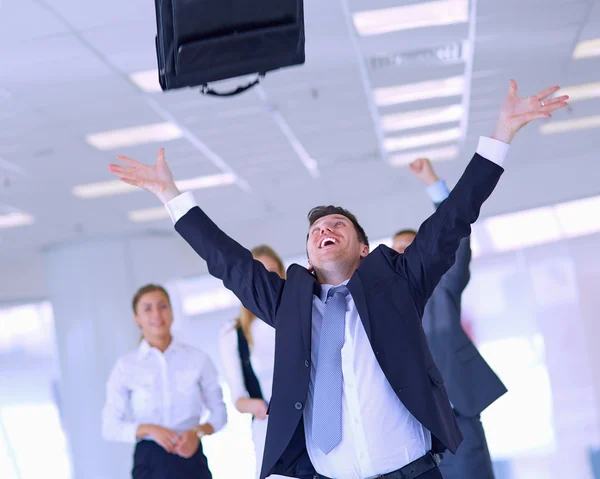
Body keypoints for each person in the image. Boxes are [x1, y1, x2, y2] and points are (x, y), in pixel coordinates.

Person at [108, 81, 568, 479]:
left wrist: (502, 134)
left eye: (337, 226)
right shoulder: (289, 304)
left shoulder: (400, 285)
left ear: (364, 249)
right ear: (307, 254)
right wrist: (171, 196)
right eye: (315, 231)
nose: (325, 231)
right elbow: (227, 261)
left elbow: (452, 220)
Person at [393, 158, 508, 479]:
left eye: (409, 247)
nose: (402, 253)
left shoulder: (442, 285)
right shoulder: (382, 303)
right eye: (395, 250)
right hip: (411, 427)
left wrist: (433, 183)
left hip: (457, 409)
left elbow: (455, 234)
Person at [102, 284, 227, 479]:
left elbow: (220, 412)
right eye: (147, 308)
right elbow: (109, 426)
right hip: (149, 461)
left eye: (162, 306)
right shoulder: (125, 366)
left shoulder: (198, 359)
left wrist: (198, 432)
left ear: (172, 312)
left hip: (191, 458)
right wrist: (150, 429)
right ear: (137, 319)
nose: (156, 314)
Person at [218, 245, 285, 478]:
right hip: (270, 428)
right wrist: (257, 406)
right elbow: (238, 398)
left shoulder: (302, 317)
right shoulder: (233, 334)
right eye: (258, 274)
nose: (267, 281)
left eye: (273, 272)